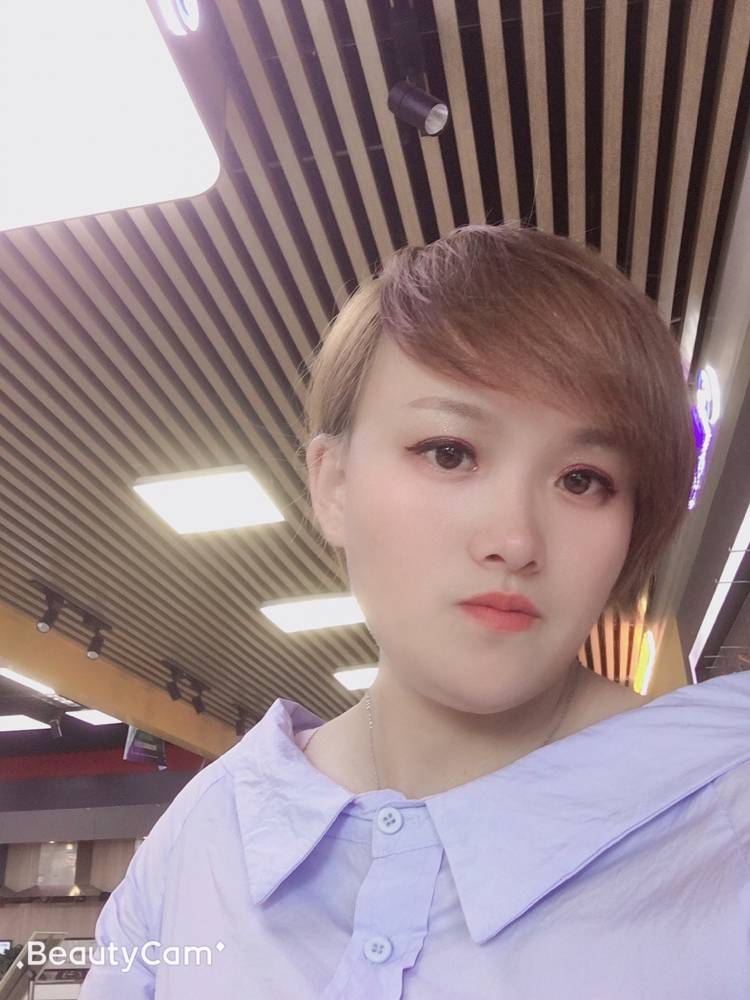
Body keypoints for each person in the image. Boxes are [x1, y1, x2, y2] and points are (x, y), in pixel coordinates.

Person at [79, 224, 750, 999]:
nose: (514, 540)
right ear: (333, 484)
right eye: (449, 452)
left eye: (583, 480)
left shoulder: (724, 809)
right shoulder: (201, 842)